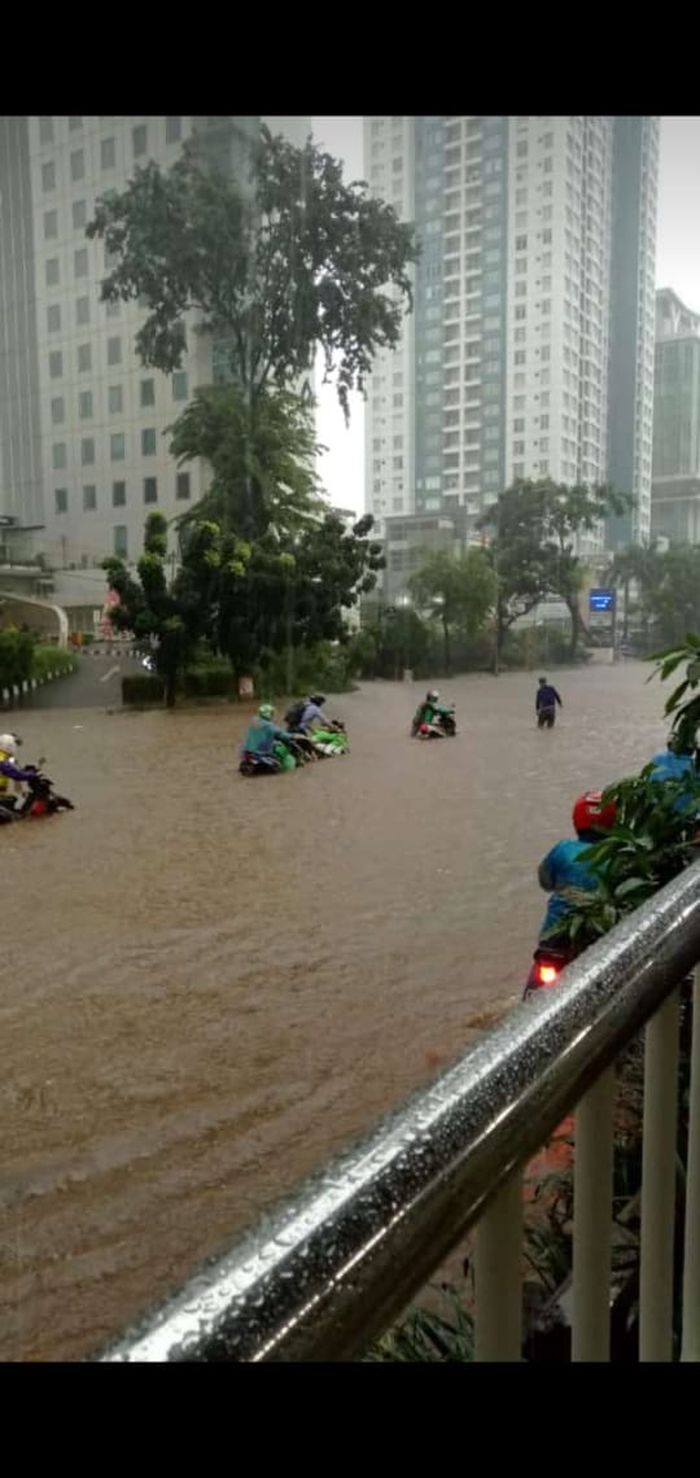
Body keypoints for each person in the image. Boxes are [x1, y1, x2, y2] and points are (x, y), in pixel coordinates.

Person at [537, 790, 616, 944]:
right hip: (598, 938)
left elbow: (545, 882)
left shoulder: (562, 849)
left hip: (553, 936)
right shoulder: (620, 855)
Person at [240, 704, 298, 771]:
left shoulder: (254, 721)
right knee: (278, 765)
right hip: (260, 753)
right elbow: (282, 735)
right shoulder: (269, 725)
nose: (273, 715)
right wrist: (294, 736)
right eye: (272, 713)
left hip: (246, 752)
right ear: (268, 714)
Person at [0, 734, 40, 819]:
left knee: (11, 800)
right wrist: (32, 774)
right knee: (13, 817)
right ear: (9, 746)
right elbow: (17, 775)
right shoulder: (2, 759)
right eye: (14, 745)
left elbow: (15, 769)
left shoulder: (4, 757)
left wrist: (26, 771)